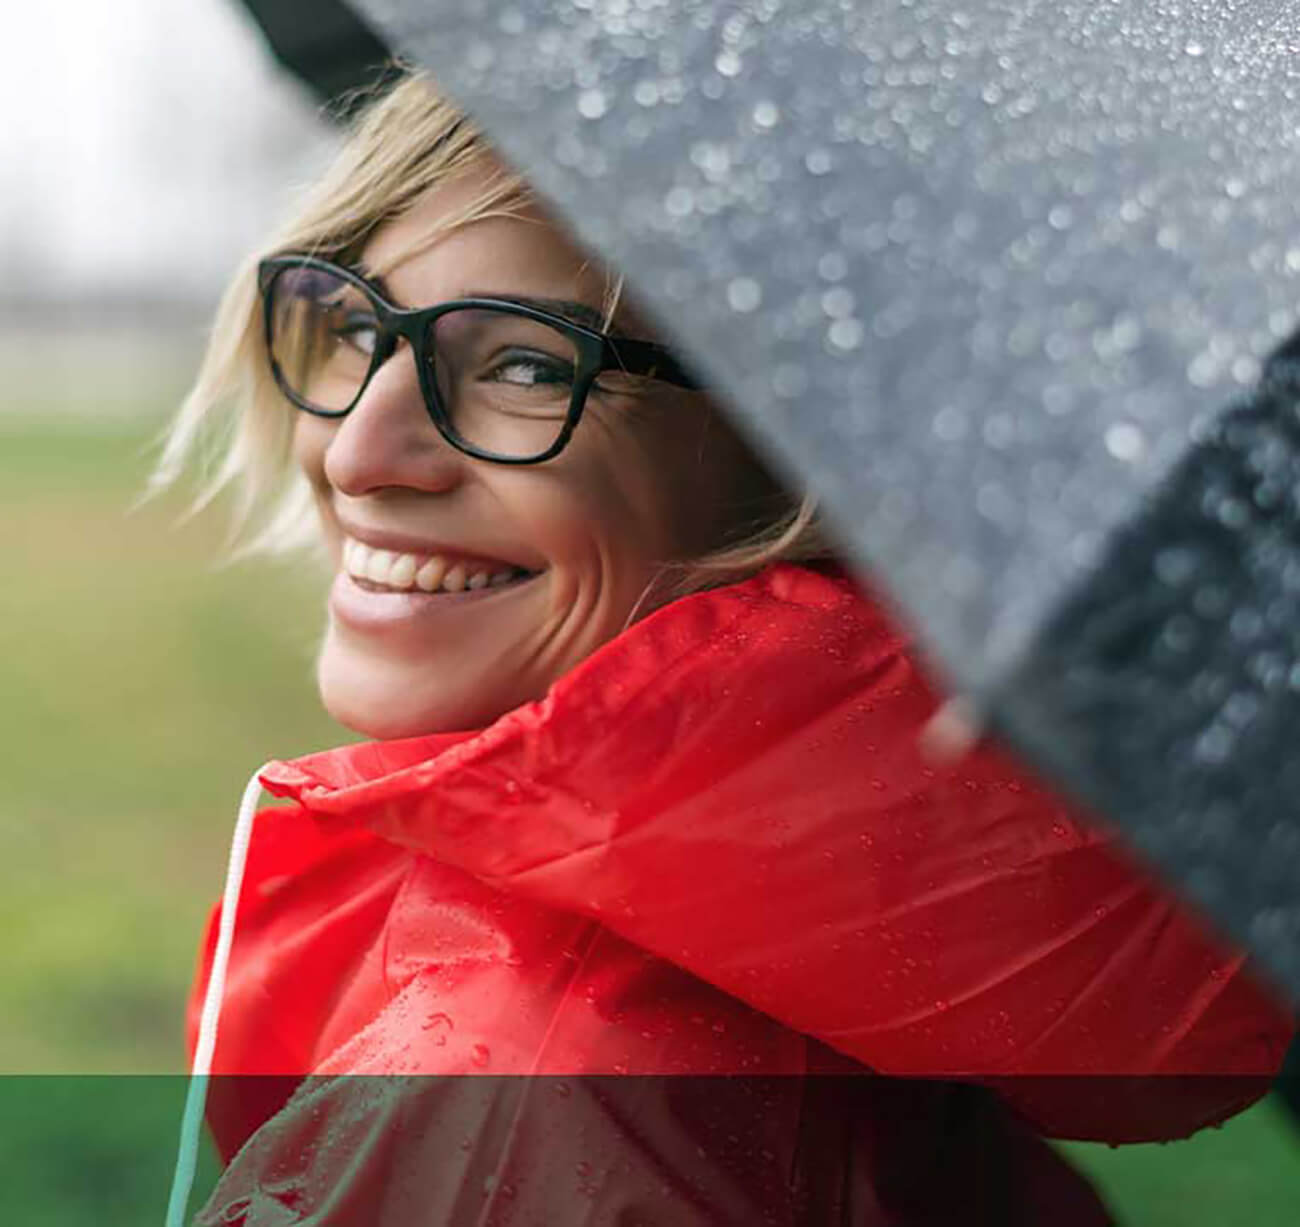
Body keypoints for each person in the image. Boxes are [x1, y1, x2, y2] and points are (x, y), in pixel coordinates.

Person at [156, 70, 1294, 1225]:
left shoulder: (525, 1103)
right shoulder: (847, 966)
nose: (359, 452)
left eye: (528, 364)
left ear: (797, 458)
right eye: (356, 325)